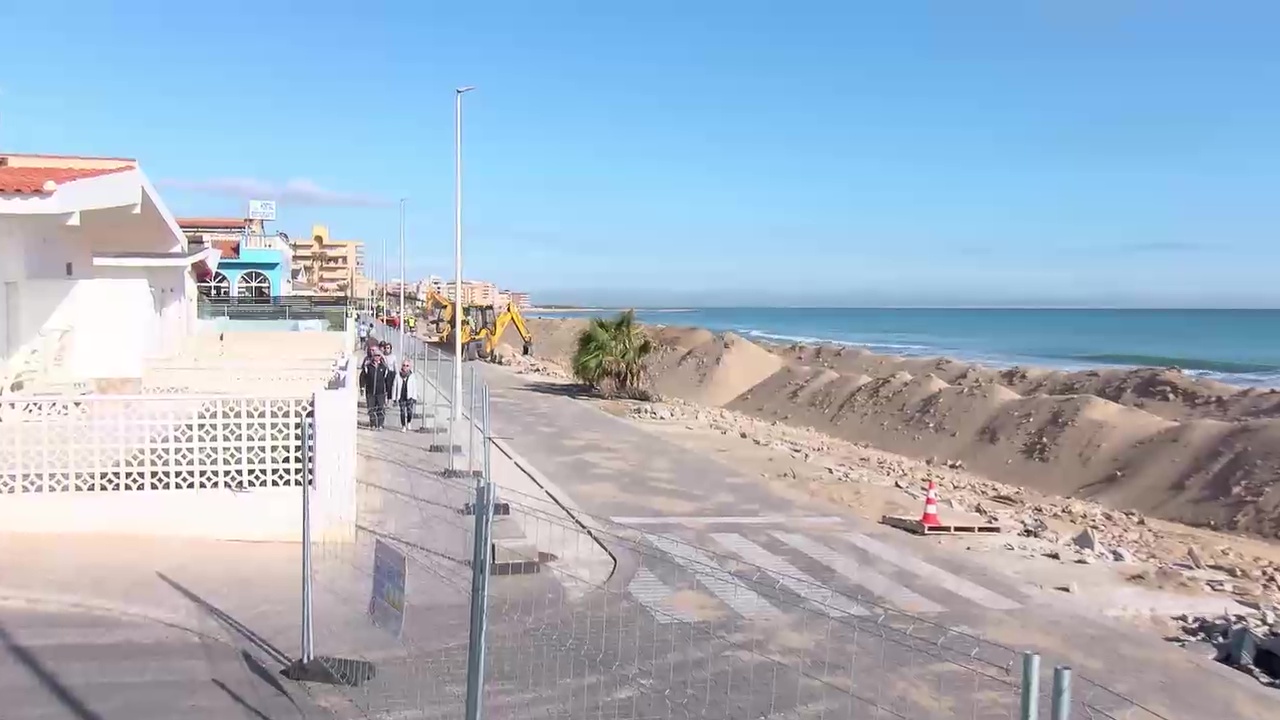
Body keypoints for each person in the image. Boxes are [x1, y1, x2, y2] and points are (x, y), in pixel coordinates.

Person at [359, 348, 394, 430]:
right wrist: (362, 387)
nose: (377, 357)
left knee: (380, 409)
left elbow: (387, 381)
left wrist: (389, 394)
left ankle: (380, 424)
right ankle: (373, 424)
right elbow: (362, 377)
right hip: (370, 392)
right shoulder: (368, 367)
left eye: (379, 356)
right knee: (371, 409)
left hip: (380, 392)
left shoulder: (384, 368)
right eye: (375, 355)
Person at [390, 359, 420, 432]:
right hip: (401, 396)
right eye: (404, 365)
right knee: (402, 411)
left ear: (410, 367)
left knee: (409, 411)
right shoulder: (398, 375)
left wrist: (414, 397)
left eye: (407, 366)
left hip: (409, 396)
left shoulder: (412, 376)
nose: (405, 367)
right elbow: (394, 387)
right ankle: (403, 426)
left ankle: (409, 422)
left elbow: (414, 387)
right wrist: (394, 398)